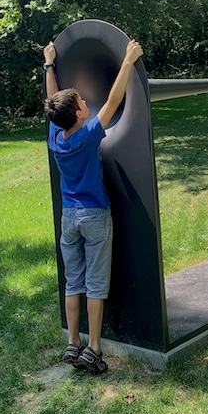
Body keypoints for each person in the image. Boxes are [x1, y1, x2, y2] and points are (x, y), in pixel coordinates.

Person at [43, 38, 143, 373]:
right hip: (95, 216)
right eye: (82, 101)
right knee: (96, 285)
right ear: (78, 113)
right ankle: (94, 348)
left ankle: (73, 343)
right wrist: (128, 61)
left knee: (74, 283)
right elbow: (114, 99)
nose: (86, 101)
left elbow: (53, 103)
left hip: (68, 218)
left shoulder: (56, 137)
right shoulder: (87, 134)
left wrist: (49, 65)